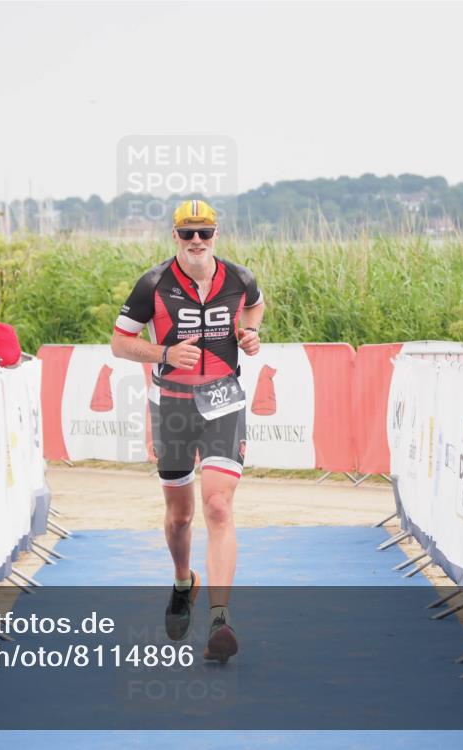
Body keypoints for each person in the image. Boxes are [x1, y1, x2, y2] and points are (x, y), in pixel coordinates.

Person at [110, 199, 264, 663]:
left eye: (205, 232)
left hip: (222, 402)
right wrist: (163, 355)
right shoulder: (153, 284)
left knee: (218, 505)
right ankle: (184, 581)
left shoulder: (240, 278)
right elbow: (119, 342)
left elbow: (254, 308)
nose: (197, 241)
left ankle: (220, 617)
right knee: (180, 516)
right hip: (172, 407)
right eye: (187, 234)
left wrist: (249, 335)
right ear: (174, 236)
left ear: (217, 234)